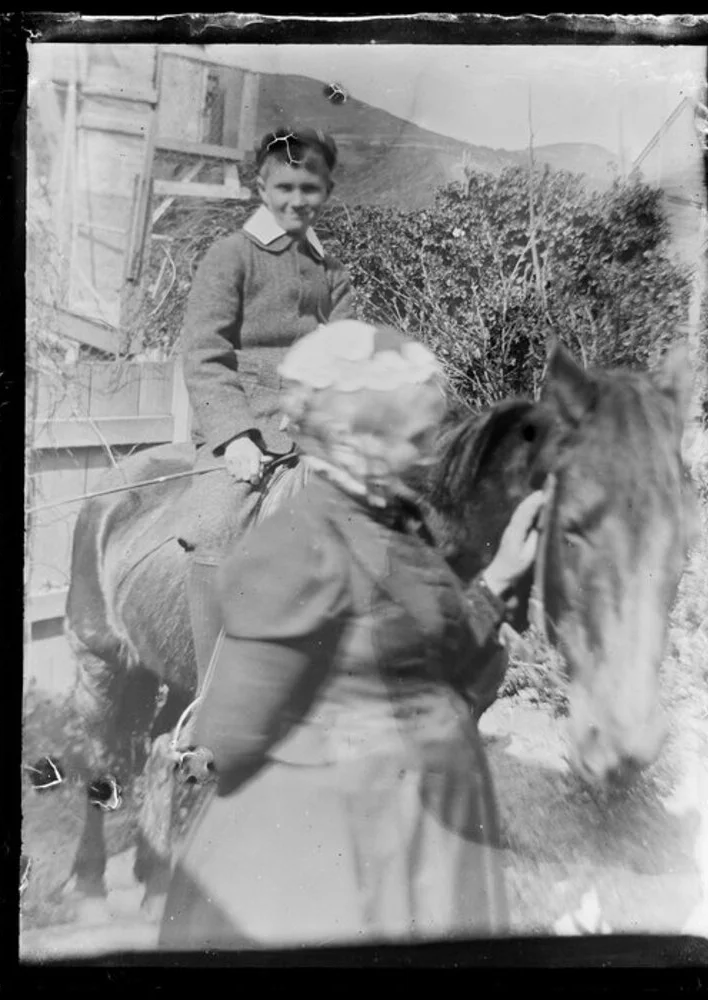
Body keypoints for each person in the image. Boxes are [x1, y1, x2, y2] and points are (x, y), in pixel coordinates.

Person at [159, 321, 545, 951]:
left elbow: (433, 648)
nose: (428, 451)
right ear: (351, 438)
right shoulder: (294, 548)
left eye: (425, 431)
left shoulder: (401, 533)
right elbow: (231, 737)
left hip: (427, 837)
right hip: (336, 848)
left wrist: (498, 581)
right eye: (410, 434)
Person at [178, 126, 355, 679]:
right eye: (284, 187)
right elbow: (205, 352)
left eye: (310, 187)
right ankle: (212, 698)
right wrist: (234, 435)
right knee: (214, 523)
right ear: (261, 187)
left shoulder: (333, 272)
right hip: (245, 432)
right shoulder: (230, 256)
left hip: (315, 431)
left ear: (328, 189)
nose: (297, 200)